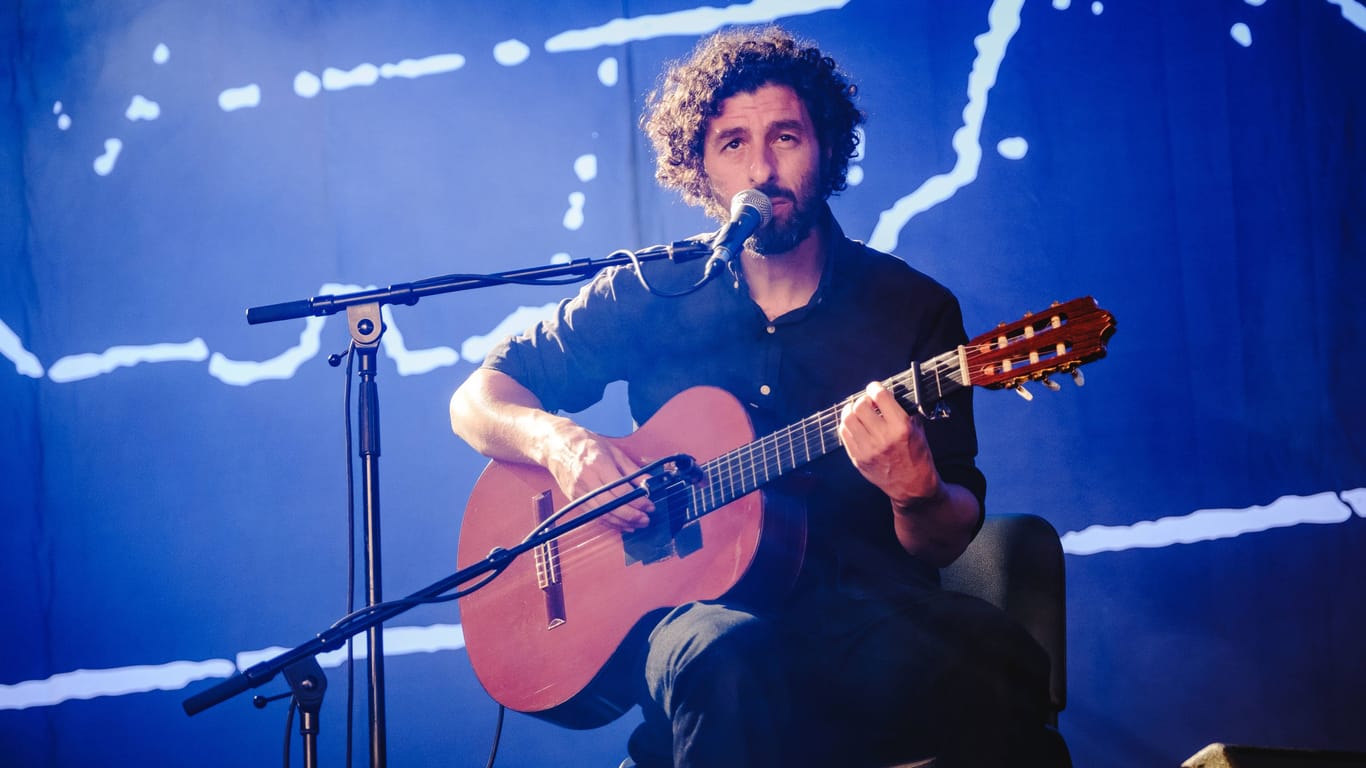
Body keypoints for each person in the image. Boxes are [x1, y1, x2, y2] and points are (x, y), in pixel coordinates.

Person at [450, 25, 1052, 768]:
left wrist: (915, 492)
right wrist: (563, 445)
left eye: (786, 138)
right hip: (695, 621)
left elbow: (944, 537)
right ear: (698, 165)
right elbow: (477, 400)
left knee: (1004, 661)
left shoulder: (912, 309)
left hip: (862, 616)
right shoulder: (651, 292)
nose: (761, 169)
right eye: (733, 143)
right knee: (728, 657)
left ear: (825, 149)